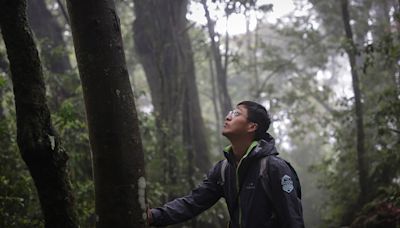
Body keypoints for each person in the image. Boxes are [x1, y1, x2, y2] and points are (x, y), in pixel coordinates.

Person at [147, 101, 304, 227]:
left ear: (252, 126)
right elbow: (194, 202)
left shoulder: (274, 168)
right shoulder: (223, 170)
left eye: (236, 113)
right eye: (230, 112)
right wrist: (154, 216)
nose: (228, 117)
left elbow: (292, 219)